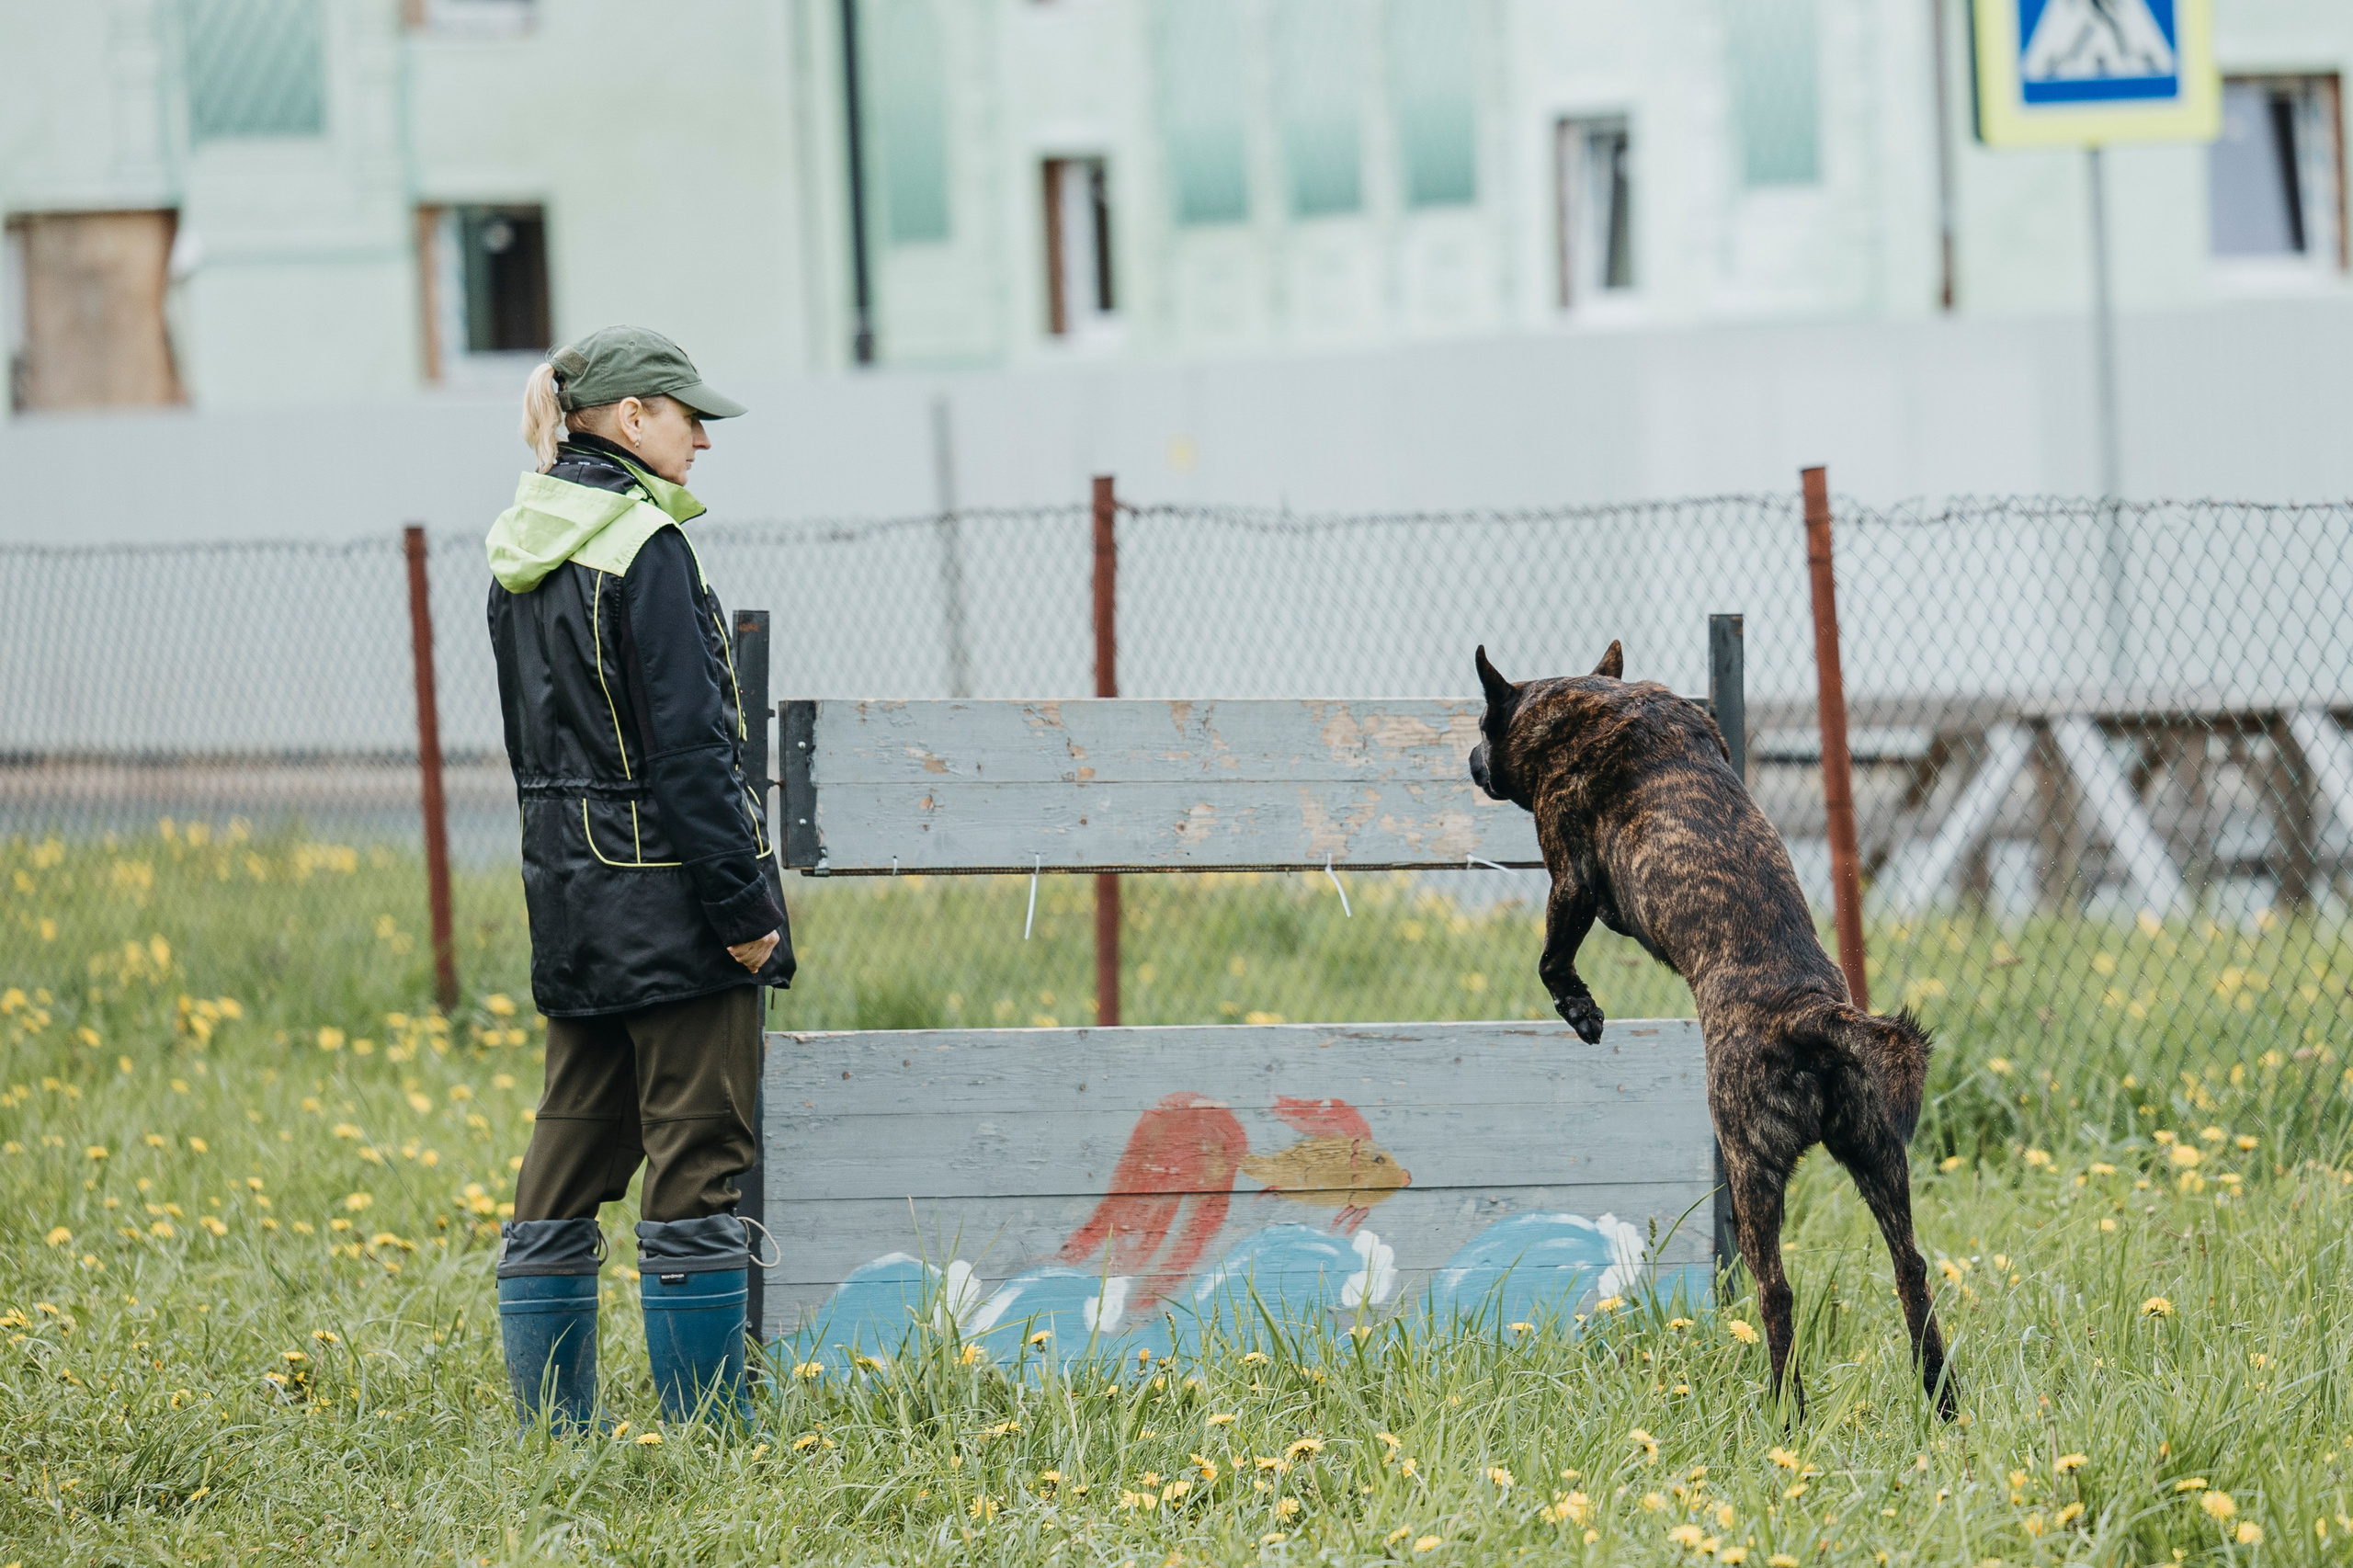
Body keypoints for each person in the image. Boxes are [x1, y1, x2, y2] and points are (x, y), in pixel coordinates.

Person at [483, 325, 793, 1431]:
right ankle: (708, 1430)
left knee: (569, 1146)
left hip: (568, 889)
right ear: (627, 417)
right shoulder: (644, 544)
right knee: (700, 1148)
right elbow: (692, 754)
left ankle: (551, 1429)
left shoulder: (524, 540)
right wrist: (744, 909)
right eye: (685, 415)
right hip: (669, 891)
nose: (701, 437)